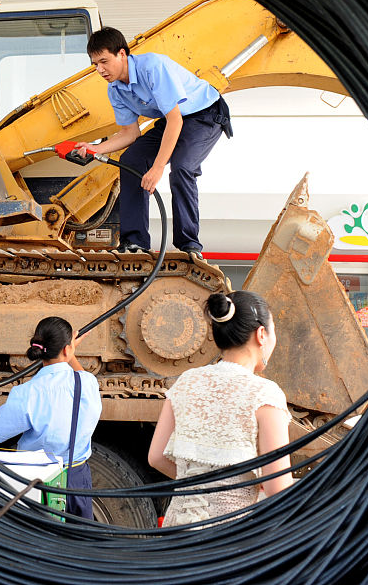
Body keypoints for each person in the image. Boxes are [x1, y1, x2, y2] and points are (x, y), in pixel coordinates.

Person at [75, 26, 232, 258]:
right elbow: (130, 134)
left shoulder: (153, 67)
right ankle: (134, 242)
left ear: (122, 54)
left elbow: (175, 120)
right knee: (132, 160)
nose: (100, 70)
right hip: (173, 120)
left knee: (181, 168)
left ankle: (189, 245)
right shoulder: (115, 90)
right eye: (95, 64)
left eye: (104, 61)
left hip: (204, 115)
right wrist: (94, 148)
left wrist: (157, 168)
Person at [147, 291, 293, 525]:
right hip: (229, 539)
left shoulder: (186, 381)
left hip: (177, 531)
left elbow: (156, 457)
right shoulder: (265, 393)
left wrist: (199, 485)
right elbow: (277, 487)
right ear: (262, 334)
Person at [0, 316, 102, 519]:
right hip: (77, 478)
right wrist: (70, 354)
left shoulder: (26, 393)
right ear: (67, 349)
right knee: (80, 542)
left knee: (39, 541)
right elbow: (80, 374)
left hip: (38, 480)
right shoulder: (87, 383)